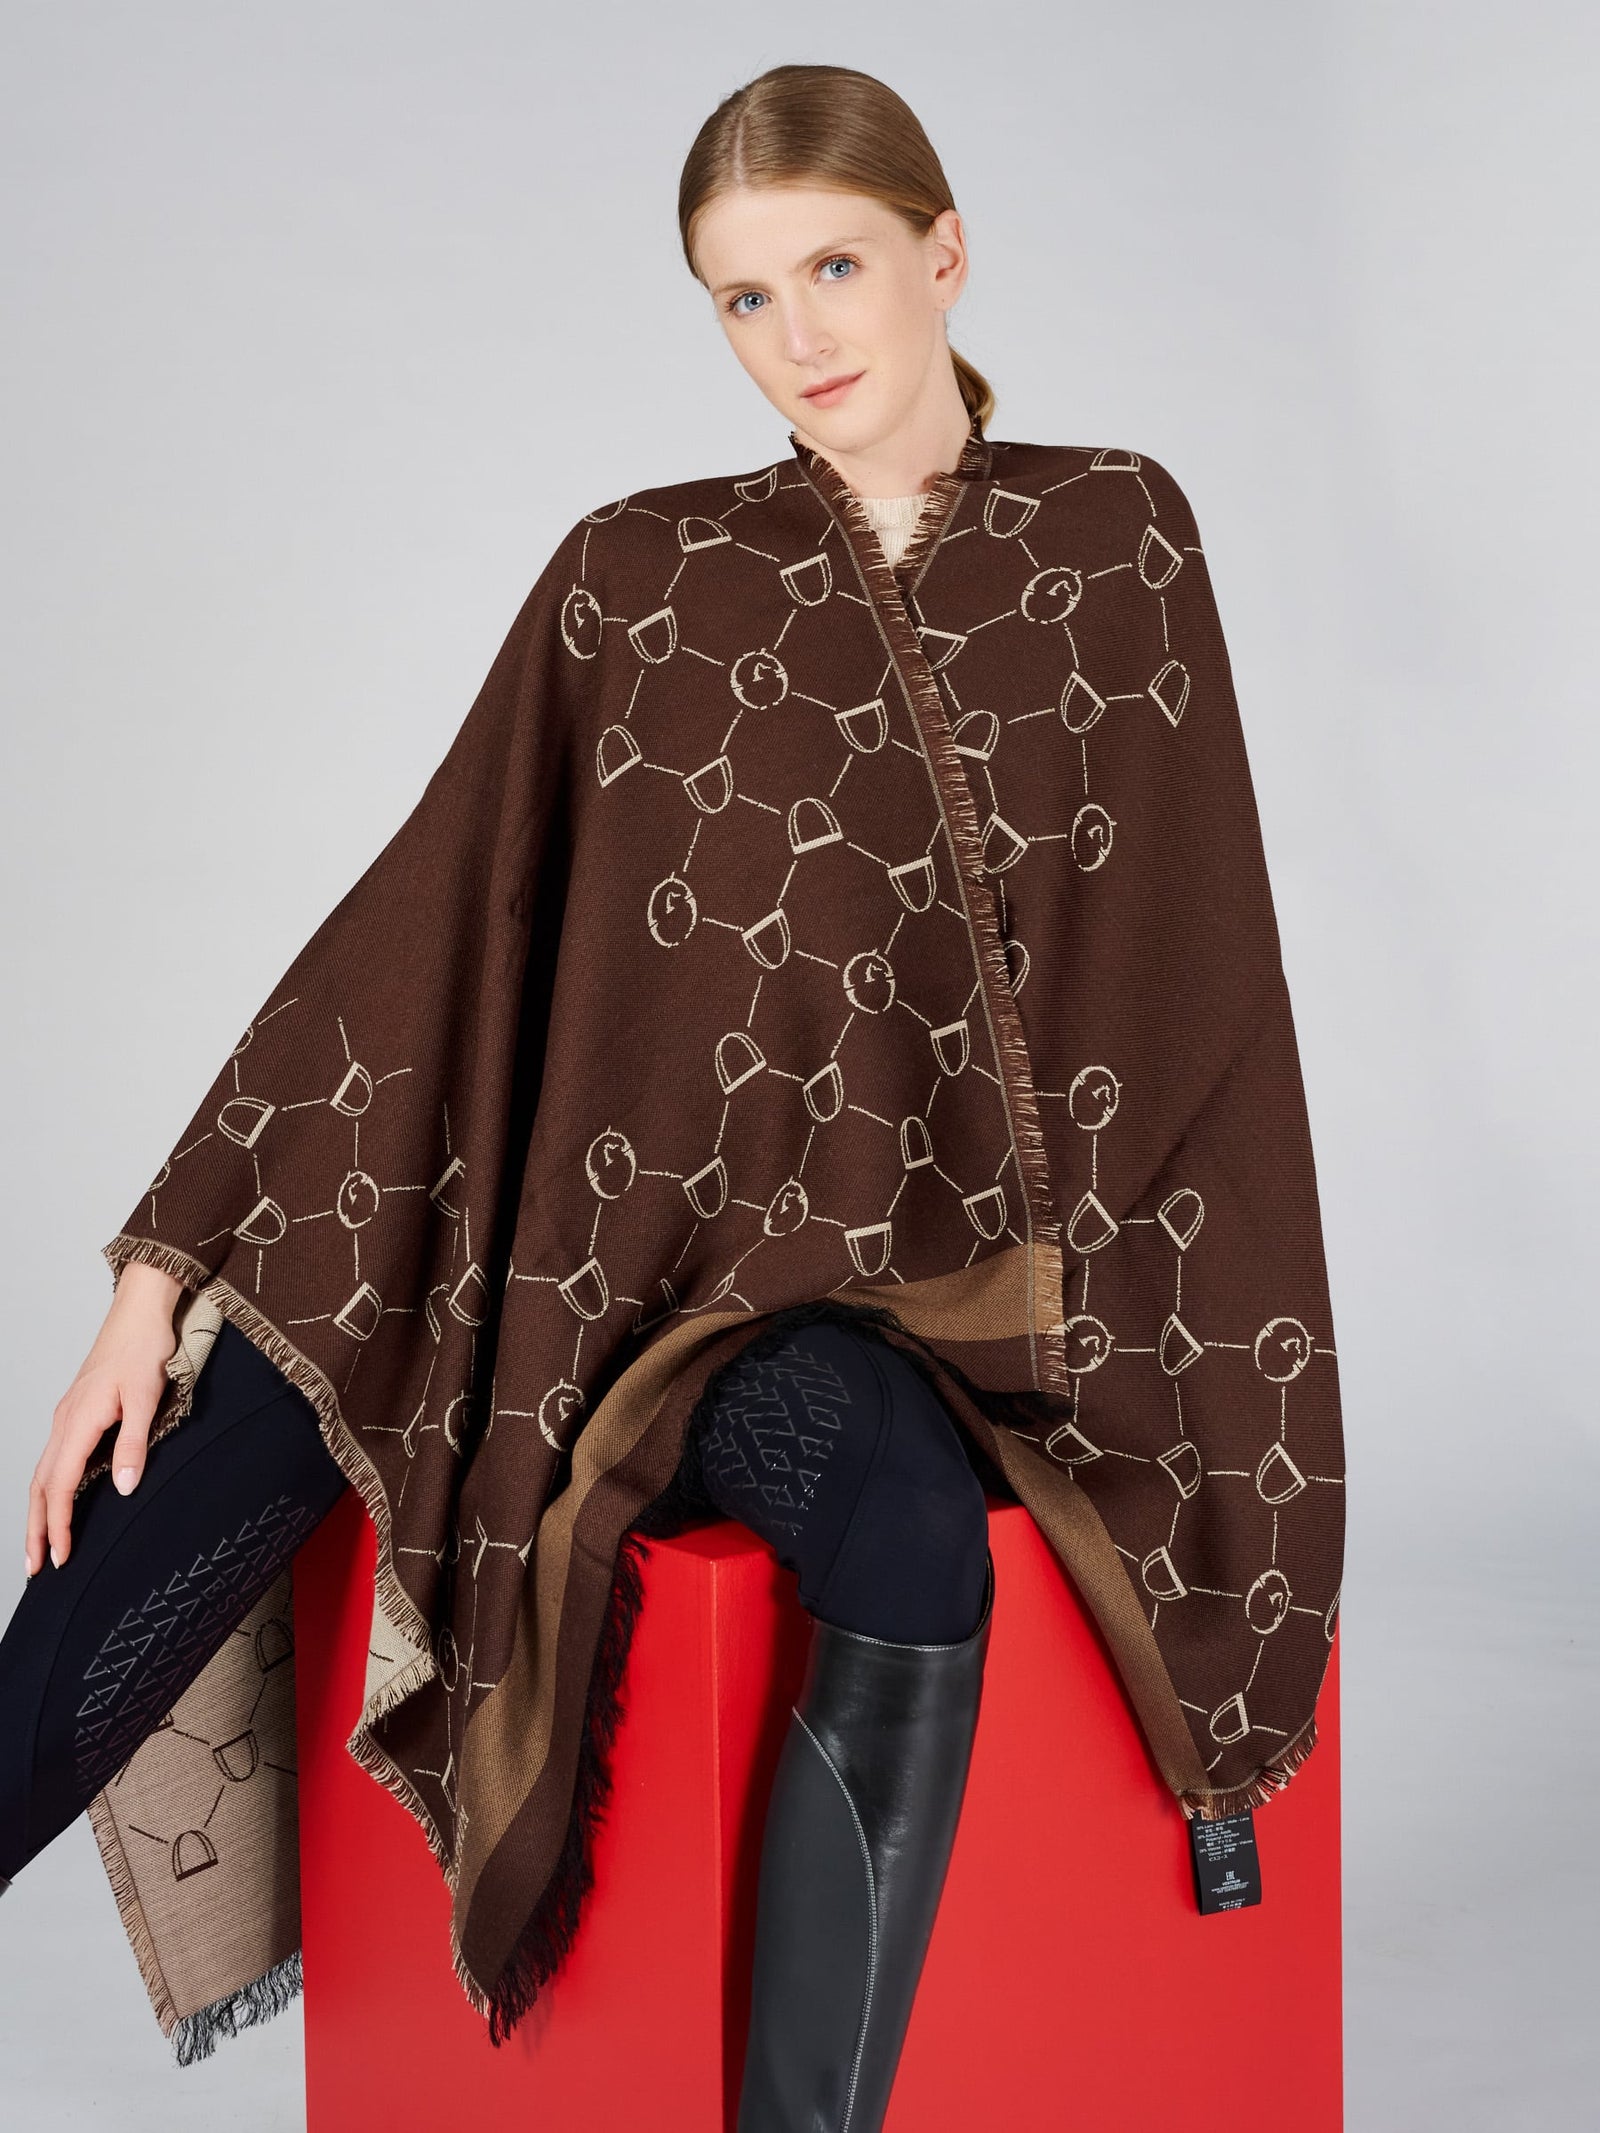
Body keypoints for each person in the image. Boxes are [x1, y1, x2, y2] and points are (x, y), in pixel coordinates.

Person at [3, 59, 1343, 2133]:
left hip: (912, 1314)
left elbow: (1190, 981)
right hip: (607, 1280)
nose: (799, 334)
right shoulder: (643, 574)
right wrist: (156, 1272)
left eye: (835, 267)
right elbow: (436, 917)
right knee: (221, 1406)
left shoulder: (1116, 543)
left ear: (943, 253)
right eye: (742, 296)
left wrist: (1104, 1311)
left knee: (910, 1529)